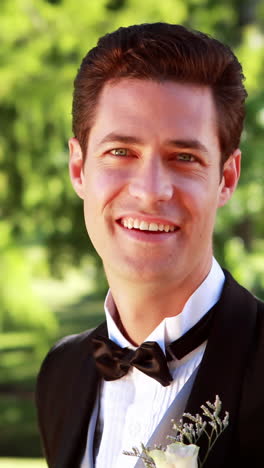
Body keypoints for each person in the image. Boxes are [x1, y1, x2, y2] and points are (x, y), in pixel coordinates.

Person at [36, 23, 264, 468]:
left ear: (227, 178)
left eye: (184, 158)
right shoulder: (60, 374)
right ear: (80, 169)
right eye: (121, 152)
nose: (151, 190)